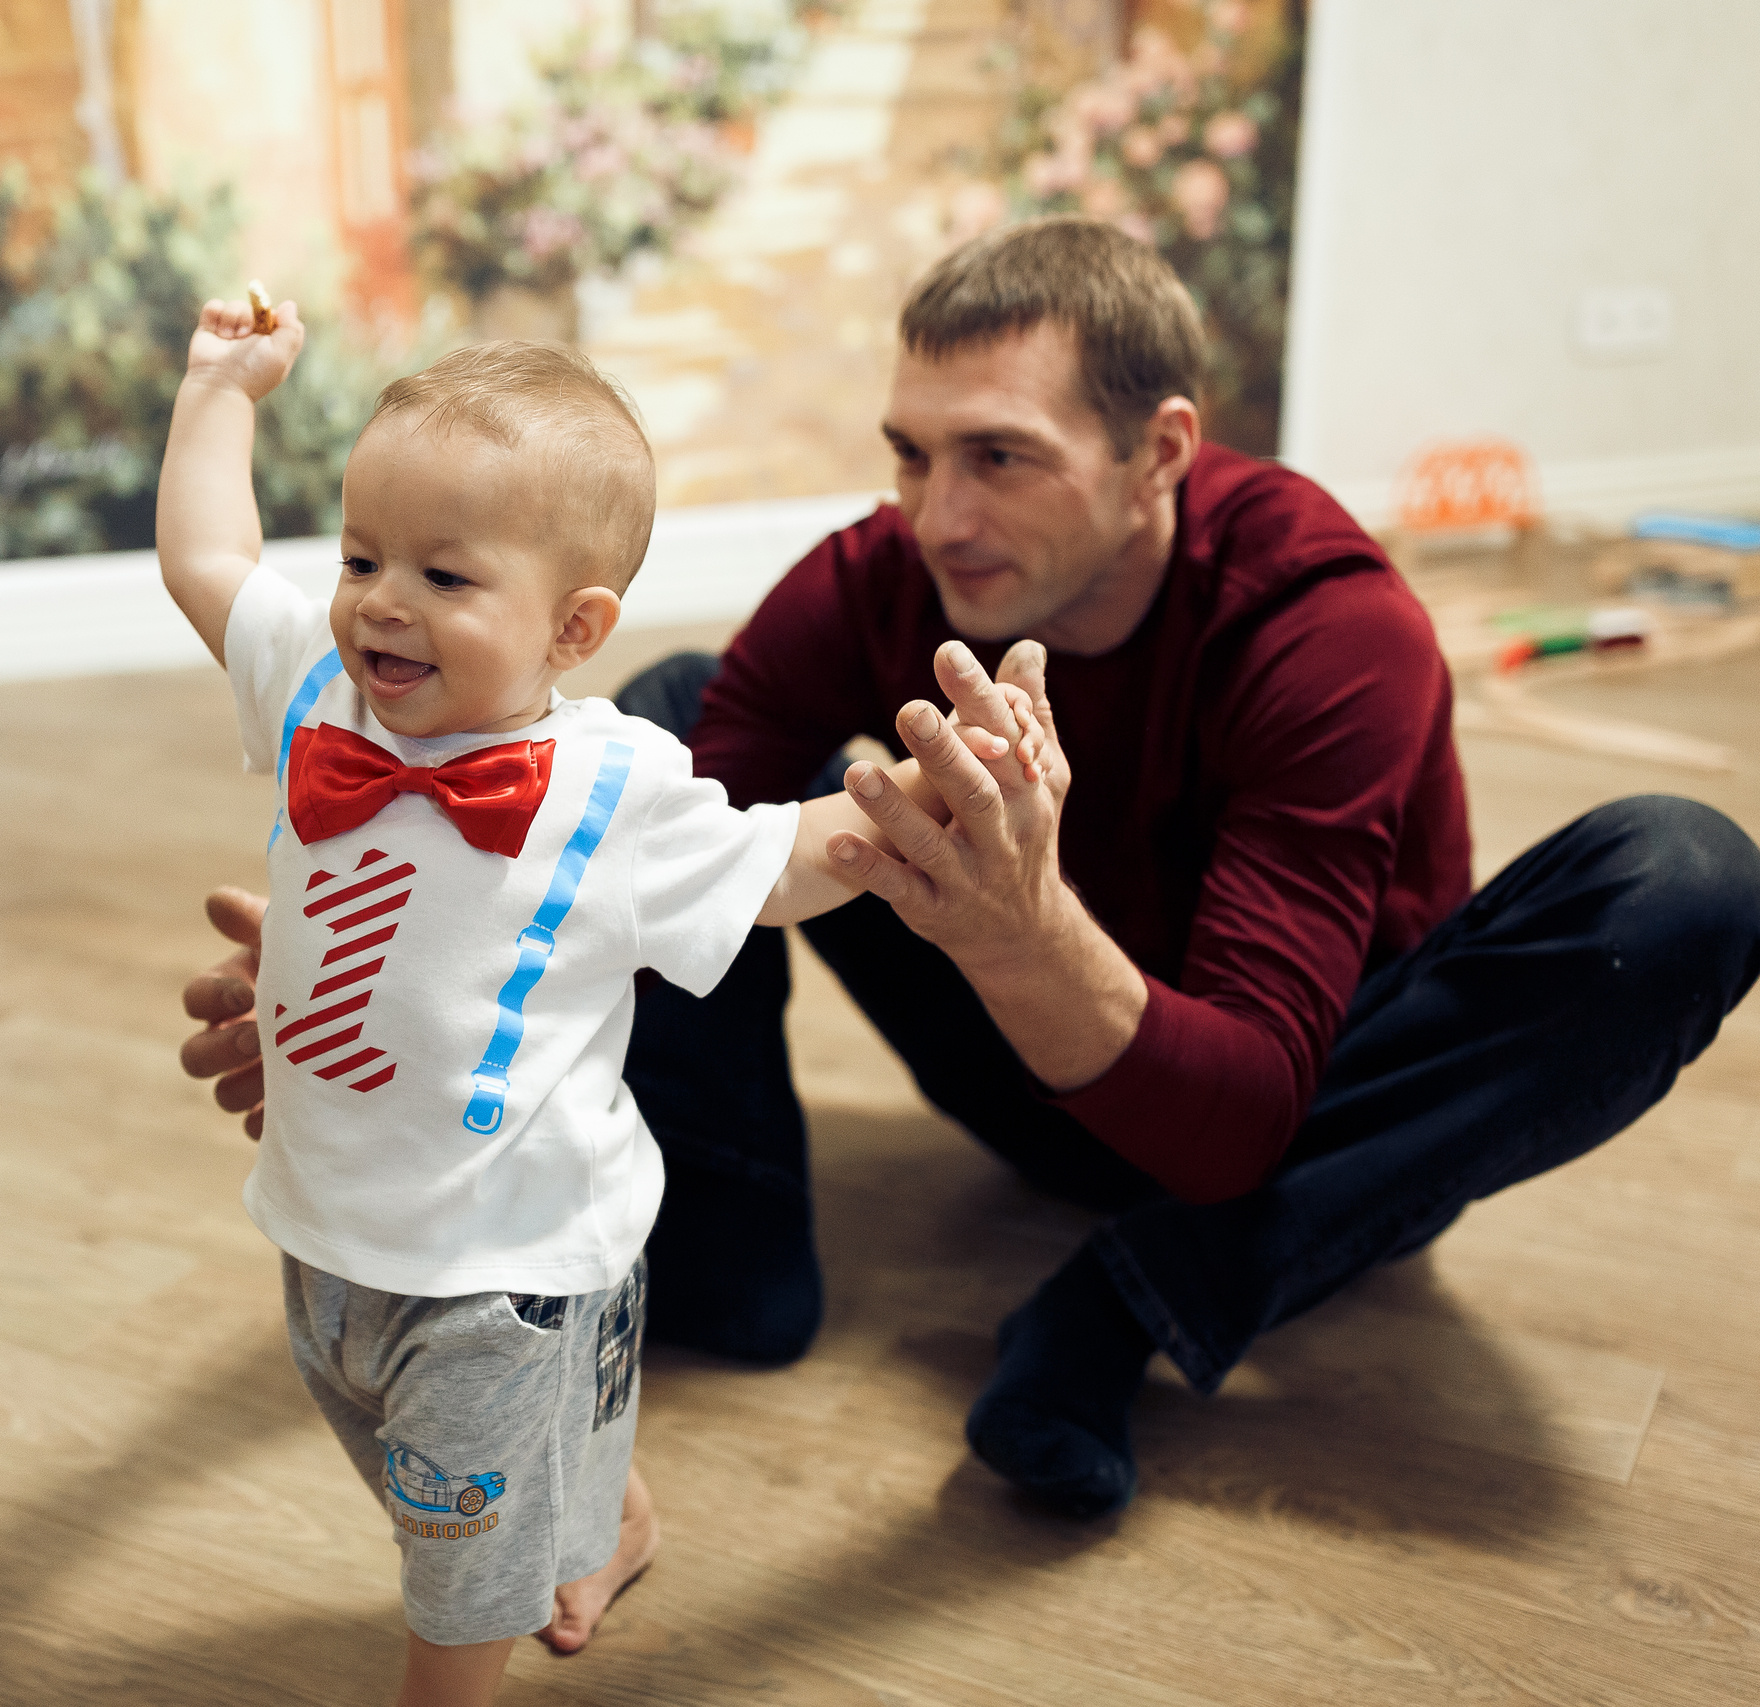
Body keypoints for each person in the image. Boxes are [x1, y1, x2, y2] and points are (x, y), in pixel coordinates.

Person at [182, 217, 1760, 1524]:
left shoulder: (1326, 625)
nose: (939, 513)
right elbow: (618, 852)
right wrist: (397, 983)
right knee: (671, 713)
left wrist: (1024, 928)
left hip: (1309, 1131)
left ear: (1160, 452)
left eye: (1000, 456)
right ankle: (730, 1260)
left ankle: (1119, 1303)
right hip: (1034, 1072)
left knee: (1684, 879)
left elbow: (1237, 1120)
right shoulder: (892, 571)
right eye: (913, 453)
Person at [157, 298, 1041, 1702]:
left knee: (456, 1548)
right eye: (362, 556)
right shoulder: (321, 694)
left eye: (446, 575)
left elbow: (785, 859)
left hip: (506, 1258)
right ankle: (599, 1511)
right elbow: (207, 557)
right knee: (415, 1470)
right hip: (326, 1223)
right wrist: (221, 388)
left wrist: (943, 789)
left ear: (575, 626)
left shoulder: (613, 785)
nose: (382, 599)